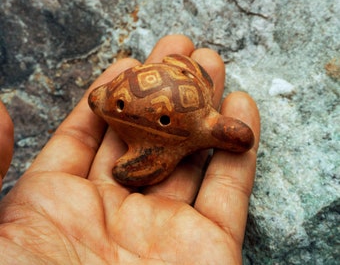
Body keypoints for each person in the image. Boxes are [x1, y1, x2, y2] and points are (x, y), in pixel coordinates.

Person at [0, 35, 260, 264]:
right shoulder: (198, 95)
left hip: (126, 91)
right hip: (117, 103)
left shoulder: (203, 87)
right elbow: (127, 170)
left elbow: (177, 61)